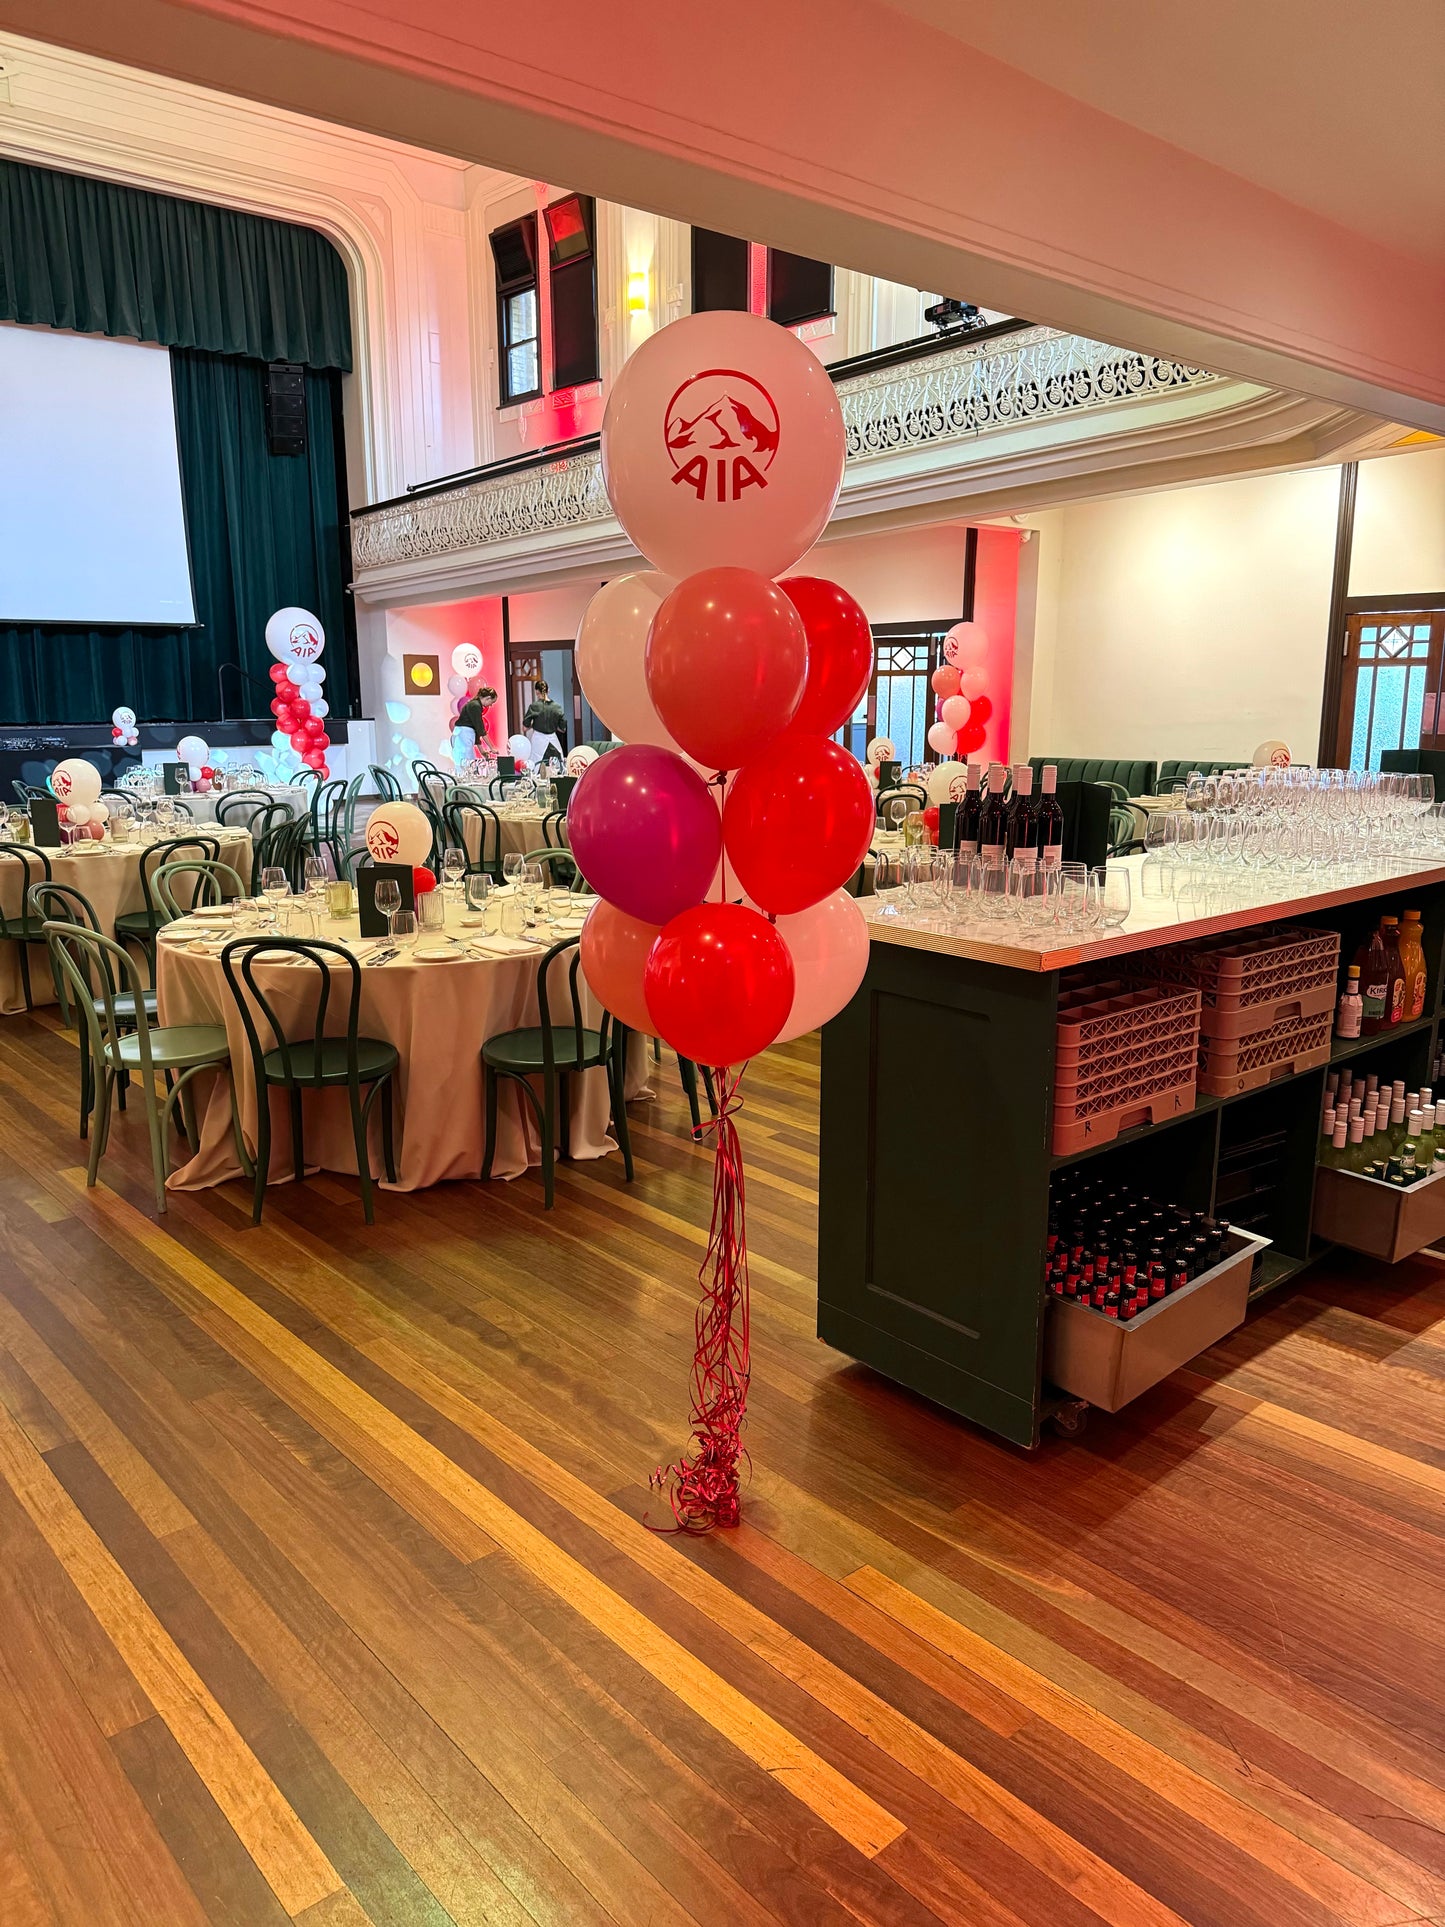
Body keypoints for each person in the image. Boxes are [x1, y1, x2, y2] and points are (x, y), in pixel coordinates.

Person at [522, 678, 567, 763]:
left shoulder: (534, 706)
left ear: (537, 692)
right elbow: (562, 729)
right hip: (553, 741)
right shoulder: (557, 707)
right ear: (548, 690)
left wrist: (534, 724)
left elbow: (524, 728)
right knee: (557, 765)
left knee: (536, 764)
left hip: (538, 740)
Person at [456, 683, 498, 753]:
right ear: (488, 698)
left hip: (464, 735)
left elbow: (477, 731)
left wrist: (482, 751)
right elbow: (480, 729)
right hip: (464, 735)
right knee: (467, 759)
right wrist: (492, 747)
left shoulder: (474, 704)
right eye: (492, 702)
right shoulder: (475, 706)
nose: (491, 705)